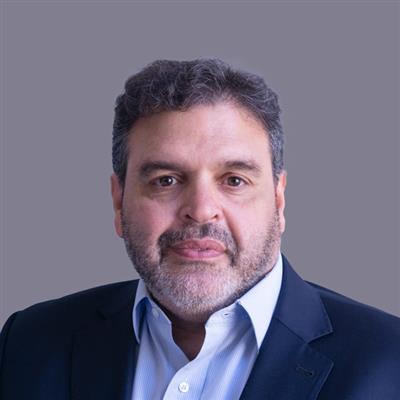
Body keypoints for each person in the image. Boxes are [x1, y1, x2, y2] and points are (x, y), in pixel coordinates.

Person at [0, 59, 399, 400]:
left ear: (278, 200)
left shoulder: (389, 361)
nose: (201, 210)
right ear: (119, 201)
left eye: (234, 180)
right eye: (166, 180)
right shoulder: (28, 344)